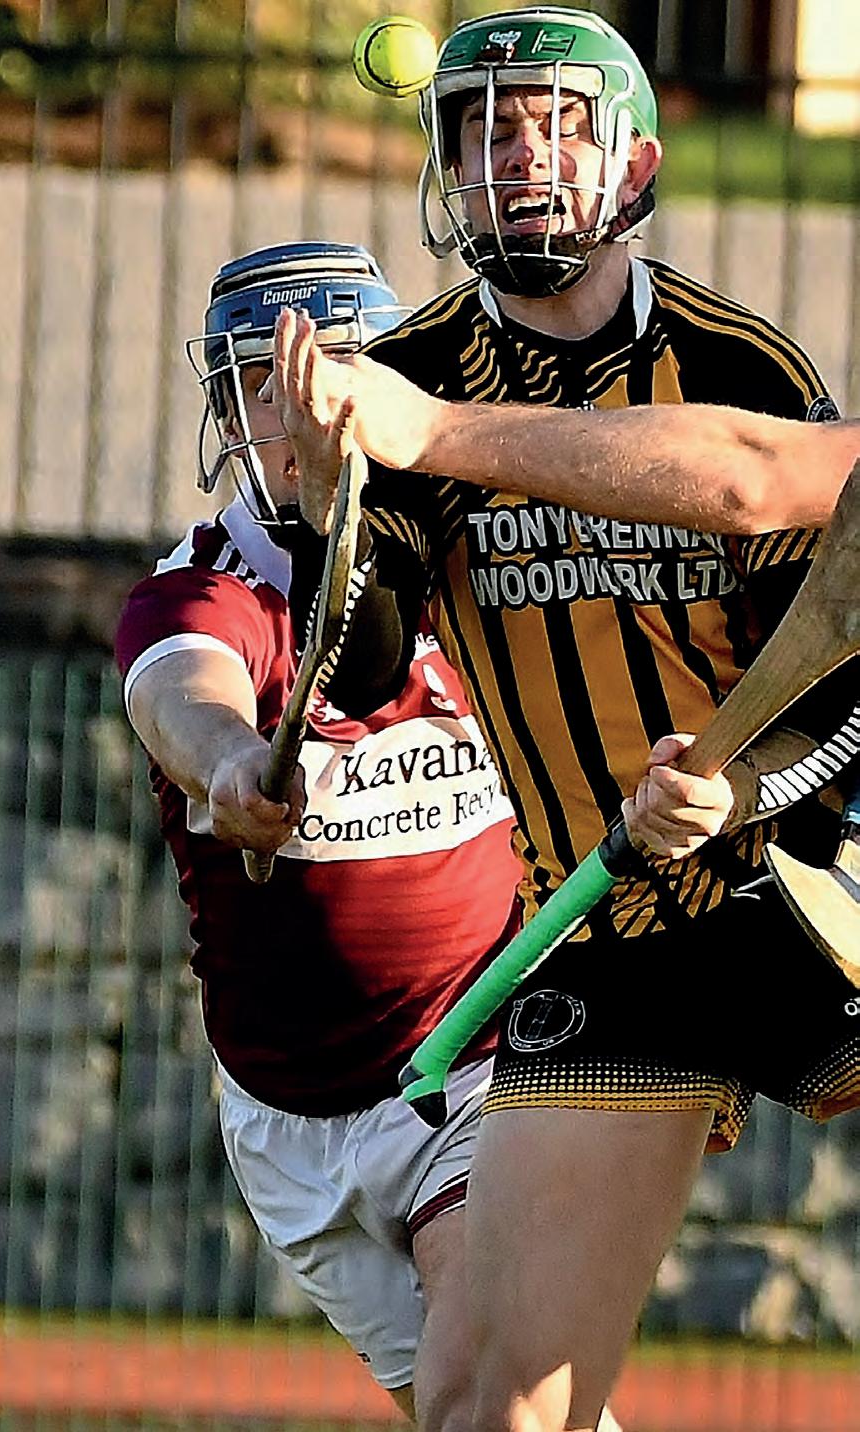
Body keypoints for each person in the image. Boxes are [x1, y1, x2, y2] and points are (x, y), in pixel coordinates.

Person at [270, 9, 859, 1432]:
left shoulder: (738, 366)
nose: (516, 152)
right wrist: (325, 515)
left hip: (812, 893)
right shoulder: (406, 377)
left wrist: (736, 792)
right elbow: (364, 672)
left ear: (636, 162)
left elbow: (835, 682)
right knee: (490, 1404)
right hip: (605, 931)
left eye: (555, 121)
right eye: (480, 127)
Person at [115, 240, 542, 1432]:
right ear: (226, 414)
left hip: (475, 1065)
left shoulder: (475, 573)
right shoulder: (202, 589)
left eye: (335, 372)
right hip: (283, 1117)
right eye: (267, 383)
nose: (303, 409)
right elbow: (180, 691)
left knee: (490, 1407)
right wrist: (228, 762)